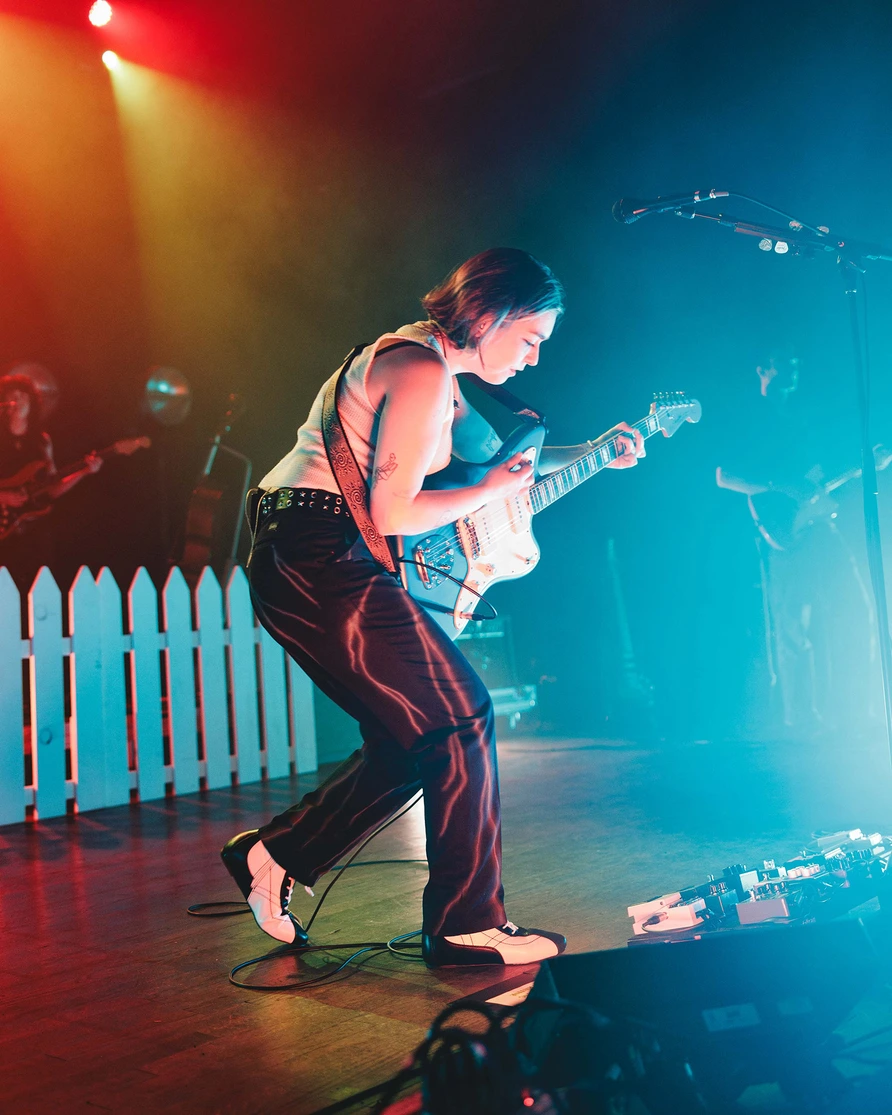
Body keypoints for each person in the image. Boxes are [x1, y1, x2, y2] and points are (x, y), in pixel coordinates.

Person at [221, 248, 646, 967]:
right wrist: (486, 493)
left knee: (415, 740)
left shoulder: (432, 365)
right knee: (462, 716)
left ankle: (276, 853)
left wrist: (596, 450)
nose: (534, 358)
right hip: (318, 550)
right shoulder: (419, 371)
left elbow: (498, 469)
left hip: (313, 550)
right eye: (531, 339)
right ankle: (463, 924)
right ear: (497, 314)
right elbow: (394, 509)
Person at [0, 373, 102, 581]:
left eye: (23, 396)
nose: (17, 400)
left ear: (32, 403)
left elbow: (52, 488)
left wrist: (83, 471)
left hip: (35, 532)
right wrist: (3, 496)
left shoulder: (42, 442)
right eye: (13, 395)